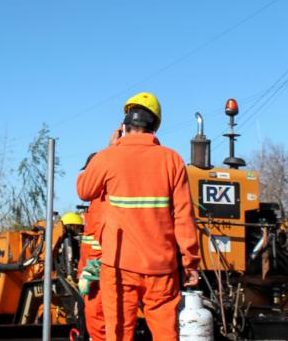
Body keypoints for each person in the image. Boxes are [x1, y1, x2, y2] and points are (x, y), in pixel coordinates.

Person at [77, 92, 200, 341]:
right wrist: (190, 262)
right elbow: (184, 216)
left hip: (119, 266)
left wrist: (110, 148)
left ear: (124, 126)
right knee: (166, 335)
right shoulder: (172, 160)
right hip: (162, 268)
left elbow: (84, 190)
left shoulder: (108, 157)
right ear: (154, 126)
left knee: (119, 335)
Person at [75, 154, 107, 341]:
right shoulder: (97, 203)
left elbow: (102, 243)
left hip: (99, 278)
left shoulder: (103, 204)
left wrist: (91, 270)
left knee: (99, 325)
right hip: (95, 275)